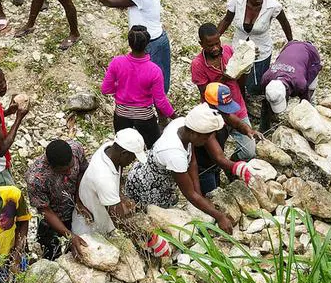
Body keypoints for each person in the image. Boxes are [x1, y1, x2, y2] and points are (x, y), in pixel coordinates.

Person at [123, 104, 238, 233]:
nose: (207, 141)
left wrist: (198, 193)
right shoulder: (174, 154)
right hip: (148, 185)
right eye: (206, 137)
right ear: (195, 133)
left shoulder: (182, 125)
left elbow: (192, 161)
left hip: (159, 178)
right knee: (155, 219)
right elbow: (189, 194)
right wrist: (220, 216)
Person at [80, 0, 171, 92]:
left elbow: (111, 2)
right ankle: (156, 108)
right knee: (158, 81)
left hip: (150, 44)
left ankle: (154, 108)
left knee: (153, 84)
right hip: (156, 39)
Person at [217, 0, 293, 125]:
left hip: (261, 51)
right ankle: (241, 105)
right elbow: (226, 20)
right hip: (239, 49)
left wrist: (291, 42)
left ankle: (259, 109)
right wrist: (214, 39)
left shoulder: (273, 6)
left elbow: (285, 23)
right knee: (237, 80)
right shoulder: (236, 2)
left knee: (256, 85)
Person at [100, 26, 175, 147]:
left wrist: (120, 90)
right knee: (154, 148)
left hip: (121, 114)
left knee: (122, 147)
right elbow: (160, 101)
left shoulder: (117, 62)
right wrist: (174, 116)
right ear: (147, 44)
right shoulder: (154, 70)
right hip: (144, 116)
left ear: (129, 43)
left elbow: (105, 89)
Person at [72, 128, 145, 236]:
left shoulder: (110, 148)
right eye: (133, 157)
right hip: (90, 229)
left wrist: (120, 195)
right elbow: (120, 222)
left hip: (100, 212)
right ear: (124, 154)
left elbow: (118, 172)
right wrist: (145, 240)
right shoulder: (103, 177)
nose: (132, 162)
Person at [26, 139, 90, 260]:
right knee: (52, 254)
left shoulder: (76, 149)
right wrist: (69, 236)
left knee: (77, 252)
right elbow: (45, 210)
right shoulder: (36, 179)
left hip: (73, 210)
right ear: (52, 167)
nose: (70, 171)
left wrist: (78, 200)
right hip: (51, 220)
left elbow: (82, 171)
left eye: (71, 166)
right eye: (64, 171)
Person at [195, 82, 258, 193]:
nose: (226, 111)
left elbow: (237, 123)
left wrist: (249, 131)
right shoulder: (205, 122)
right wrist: (240, 168)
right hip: (204, 169)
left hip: (215, 165)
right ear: (210, 104)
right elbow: (218, 158)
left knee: (217, 186)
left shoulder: (221, 113)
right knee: (212, 195)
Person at [261, 40, 323, 127]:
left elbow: (305, 102)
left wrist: (302, 121)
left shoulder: (300, 83)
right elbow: (266, 100)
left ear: (287, 91)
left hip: (310, 53)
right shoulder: (266, 78)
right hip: (290, 46)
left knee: (310, 90)